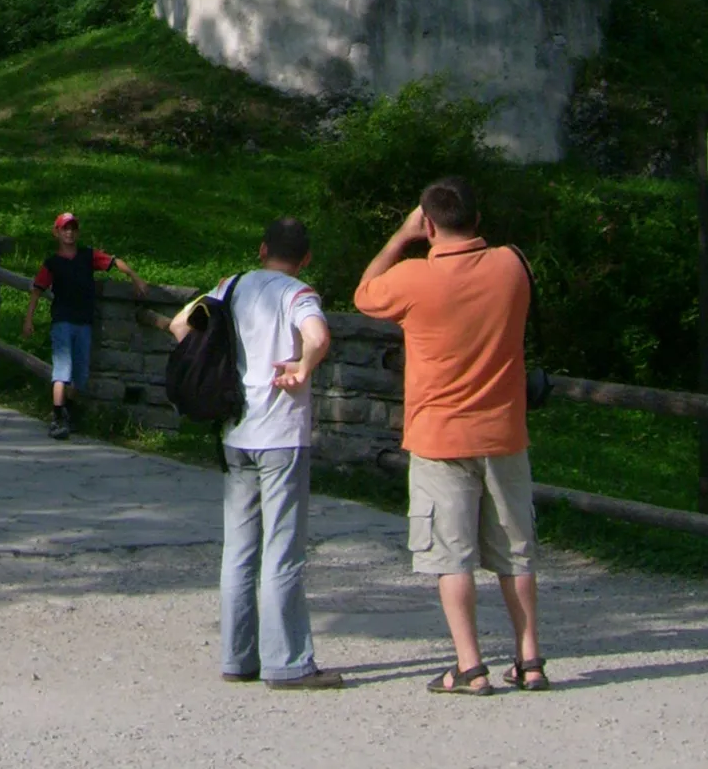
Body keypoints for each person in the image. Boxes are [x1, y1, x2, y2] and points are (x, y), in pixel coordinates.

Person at [354, 176, 546, 696]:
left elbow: (363, 293)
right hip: (504, 431)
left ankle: (470, 666)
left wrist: (401, 236)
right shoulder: (513, 265)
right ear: (477, 219)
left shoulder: (413, 278)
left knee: (451, 557)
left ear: (429, 223)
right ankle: (529, 660)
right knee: (516, 552)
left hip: (439, 437)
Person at [171, 217, 340, 689]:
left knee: (239, 549)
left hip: (236, 431)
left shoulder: (231, 285)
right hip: (282, 433)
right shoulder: (298, 293)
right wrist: (304, 365)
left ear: (262, 249)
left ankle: (237, 656)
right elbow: (319, 336)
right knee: (282, 549)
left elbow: (179, 324)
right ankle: (288, 663)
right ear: (305, 258)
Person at [20, 210, 145, 438]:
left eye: (73, 228)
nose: (69, 232)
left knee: (80, 376)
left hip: (84, 323)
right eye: (64, 228)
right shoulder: (52, 263)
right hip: (62, 322)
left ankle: (69, 411)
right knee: (62, 371)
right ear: (56, 232)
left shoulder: (88, 256)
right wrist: (28, 320)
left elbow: (115, 262)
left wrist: (135, 277)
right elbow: (37, 291)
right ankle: (57, 417)